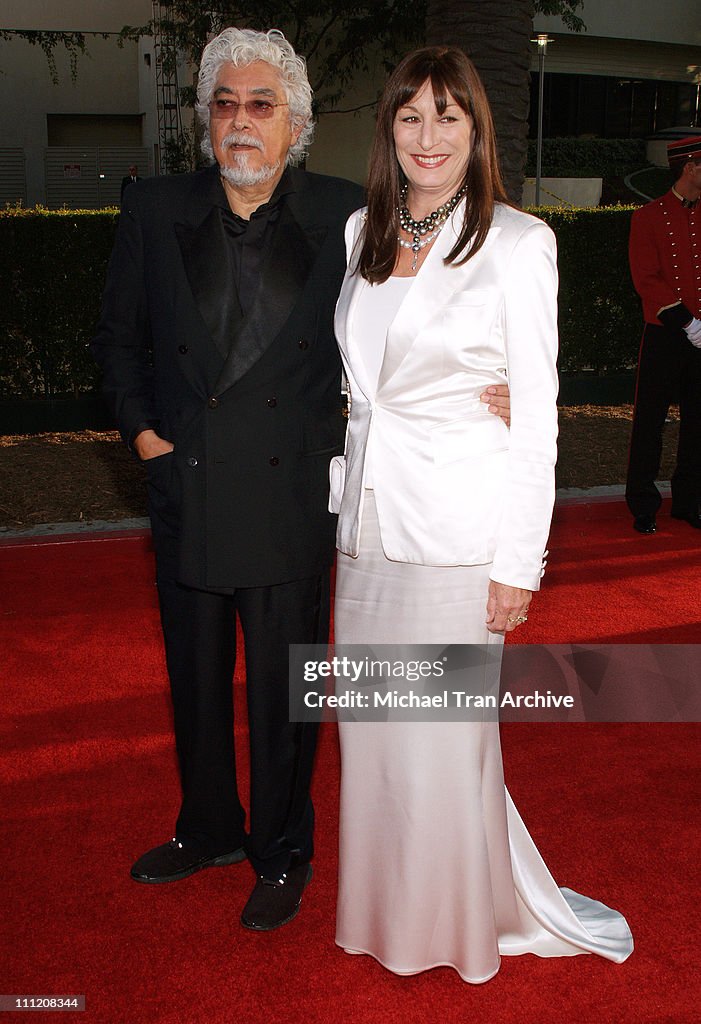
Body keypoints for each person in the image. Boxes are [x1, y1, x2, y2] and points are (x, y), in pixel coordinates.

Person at [93, 24, 512, 932]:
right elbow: (117, 341)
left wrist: (497, 381)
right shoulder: (153, 208)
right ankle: (206, 827)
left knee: (288, 690)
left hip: (288, 498)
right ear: (207, 118)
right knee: (193, 680)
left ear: (298, 122)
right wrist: (143, 438)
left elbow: (429, 300)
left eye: (262, 104)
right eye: (226, 103)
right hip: (188, 487)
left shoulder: (347, 217)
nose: (241, 121)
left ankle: (282, 851)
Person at [331, 47, 633, 982]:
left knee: (443, 744)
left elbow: (537, 418)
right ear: (389, 129)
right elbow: (362, 385)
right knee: (374, 735)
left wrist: (518, 563)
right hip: (365, 526)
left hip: (462, 536)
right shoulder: (358, 233)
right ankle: (384, 911)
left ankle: (455, 927)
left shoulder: (516, 242)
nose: (427, 137)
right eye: (411, 117)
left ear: (475, 132)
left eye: (447, 118)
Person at [626, 135, 701, 534]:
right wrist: (689, 323)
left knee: (698, 422)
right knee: (650, 421)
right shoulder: (648, 217)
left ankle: (689, 501)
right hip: (666, 334)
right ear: (690, 168)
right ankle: (642, 504)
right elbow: (647, 280)